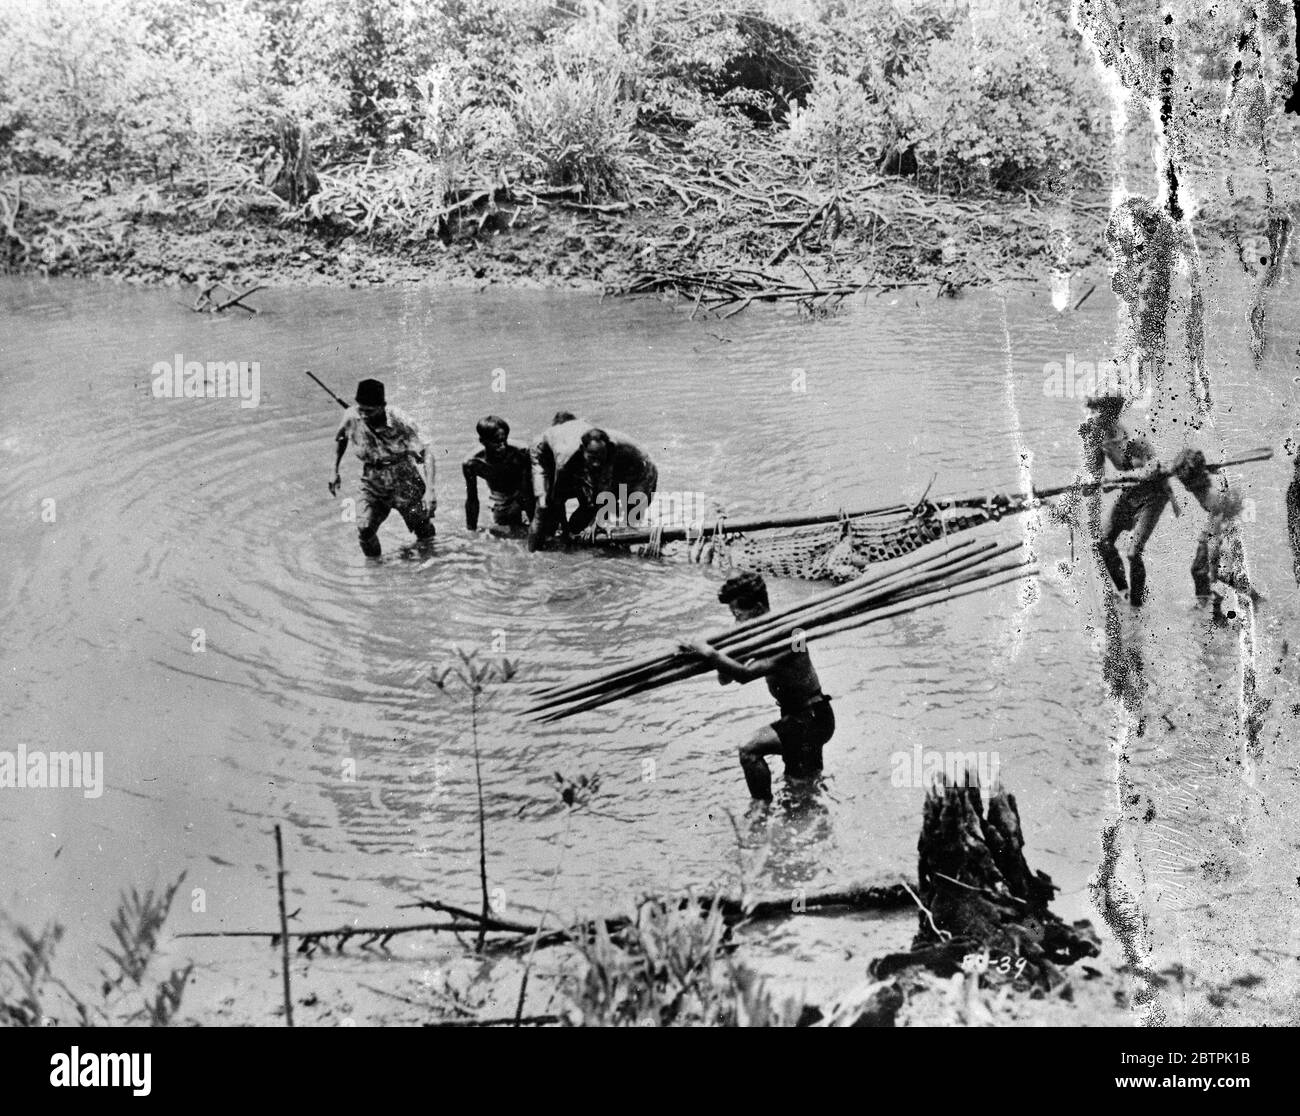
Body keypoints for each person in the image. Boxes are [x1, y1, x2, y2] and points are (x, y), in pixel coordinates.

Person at [677, 571, 834, 801]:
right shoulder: (756, 637)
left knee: (749, 749)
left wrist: (709, 652)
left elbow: (745, 675)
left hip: (811, 718)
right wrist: (721, 652)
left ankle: (760, 810)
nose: (736, 623)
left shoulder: (792, 635)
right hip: (795, 717)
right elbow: (725, 678)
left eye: (738, 615)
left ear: (759, 607)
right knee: (800, 789)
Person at [1083, 393, 1173, 606]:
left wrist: (1113, 482)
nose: (1095, 421)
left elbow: (1149, 471)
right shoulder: (1100, 440)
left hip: (1153, 496)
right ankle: (1124, 592)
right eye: (1094, 415)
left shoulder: (1134, 439)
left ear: (1112, 415)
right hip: (1130, 494)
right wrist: (1091, 485)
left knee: (1133, 553)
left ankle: (1137, 604)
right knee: (1104, 544)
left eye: (1101, 416)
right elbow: (1097, 479)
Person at [329, 378, 435, 557]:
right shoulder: (351, 415)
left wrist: (430, 490)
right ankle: (375, 570)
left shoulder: (399, 418)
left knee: (421, 527)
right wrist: (334, 470)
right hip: (373, 479)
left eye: (369, 411)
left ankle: (430, 560)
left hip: (404, 477)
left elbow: (426, 453)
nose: (363, 415)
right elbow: (341, 438)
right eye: (361, 409)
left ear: (382, 406)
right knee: (364, 528)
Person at [1170, 448, 1251, 601]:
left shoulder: (1211, 497)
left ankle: (1252, 596)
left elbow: (1216, 537)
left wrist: (1213, 567)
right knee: (1201, 569)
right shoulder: (1203, 483)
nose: (1186, 488)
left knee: (1207, 569)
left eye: (1185, 482)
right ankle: (1207, 602)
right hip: (1222, 518)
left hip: (1223, 522)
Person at [566, 427, 659, 539]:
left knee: (632, 512)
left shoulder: (611, 448)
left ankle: (628, 539)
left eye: (599, 457)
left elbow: (605, 489)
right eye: (592, 457)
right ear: (583, 449)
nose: (595, 464)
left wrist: (599, 522)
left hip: (642, 471)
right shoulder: (573, 454)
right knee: (588, 509)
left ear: (607, 449)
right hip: (621, 471)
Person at [462, 415, 534, 535]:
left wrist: (535, 521)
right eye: (496, 442)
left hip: (526, 492)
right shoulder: (472, 463)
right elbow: (472, 499)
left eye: (504, 440)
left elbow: (531, 489)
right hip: (502, 498)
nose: (502, 446)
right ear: (482, 441)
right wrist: (471, 529)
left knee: (544, 527)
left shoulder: (521, 452)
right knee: (510, 531)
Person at [527, 412, 585, 551]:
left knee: (544, 507)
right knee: (544, 507)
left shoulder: (556, 439)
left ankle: (533, 553)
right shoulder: (550, 443)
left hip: (551, 465)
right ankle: (535, 549)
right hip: (545, 463)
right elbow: (558, 494)